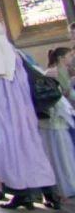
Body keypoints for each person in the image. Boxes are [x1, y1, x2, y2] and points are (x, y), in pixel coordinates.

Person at [0, 21, 58, 209]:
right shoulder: (15, 53)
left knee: (9, 151)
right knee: (31, 148)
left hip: (2, 109)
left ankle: (22, 195)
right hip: (22, 108)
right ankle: (50, 194)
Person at [41, 47, 75, 201]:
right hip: (59, 118)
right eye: (69, 56)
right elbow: (65, 93)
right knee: (65, 155)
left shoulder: (55, 70)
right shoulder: (58, 71)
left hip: (57, 120)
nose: (71, 58)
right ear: (61, 58)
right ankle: (69, 186)